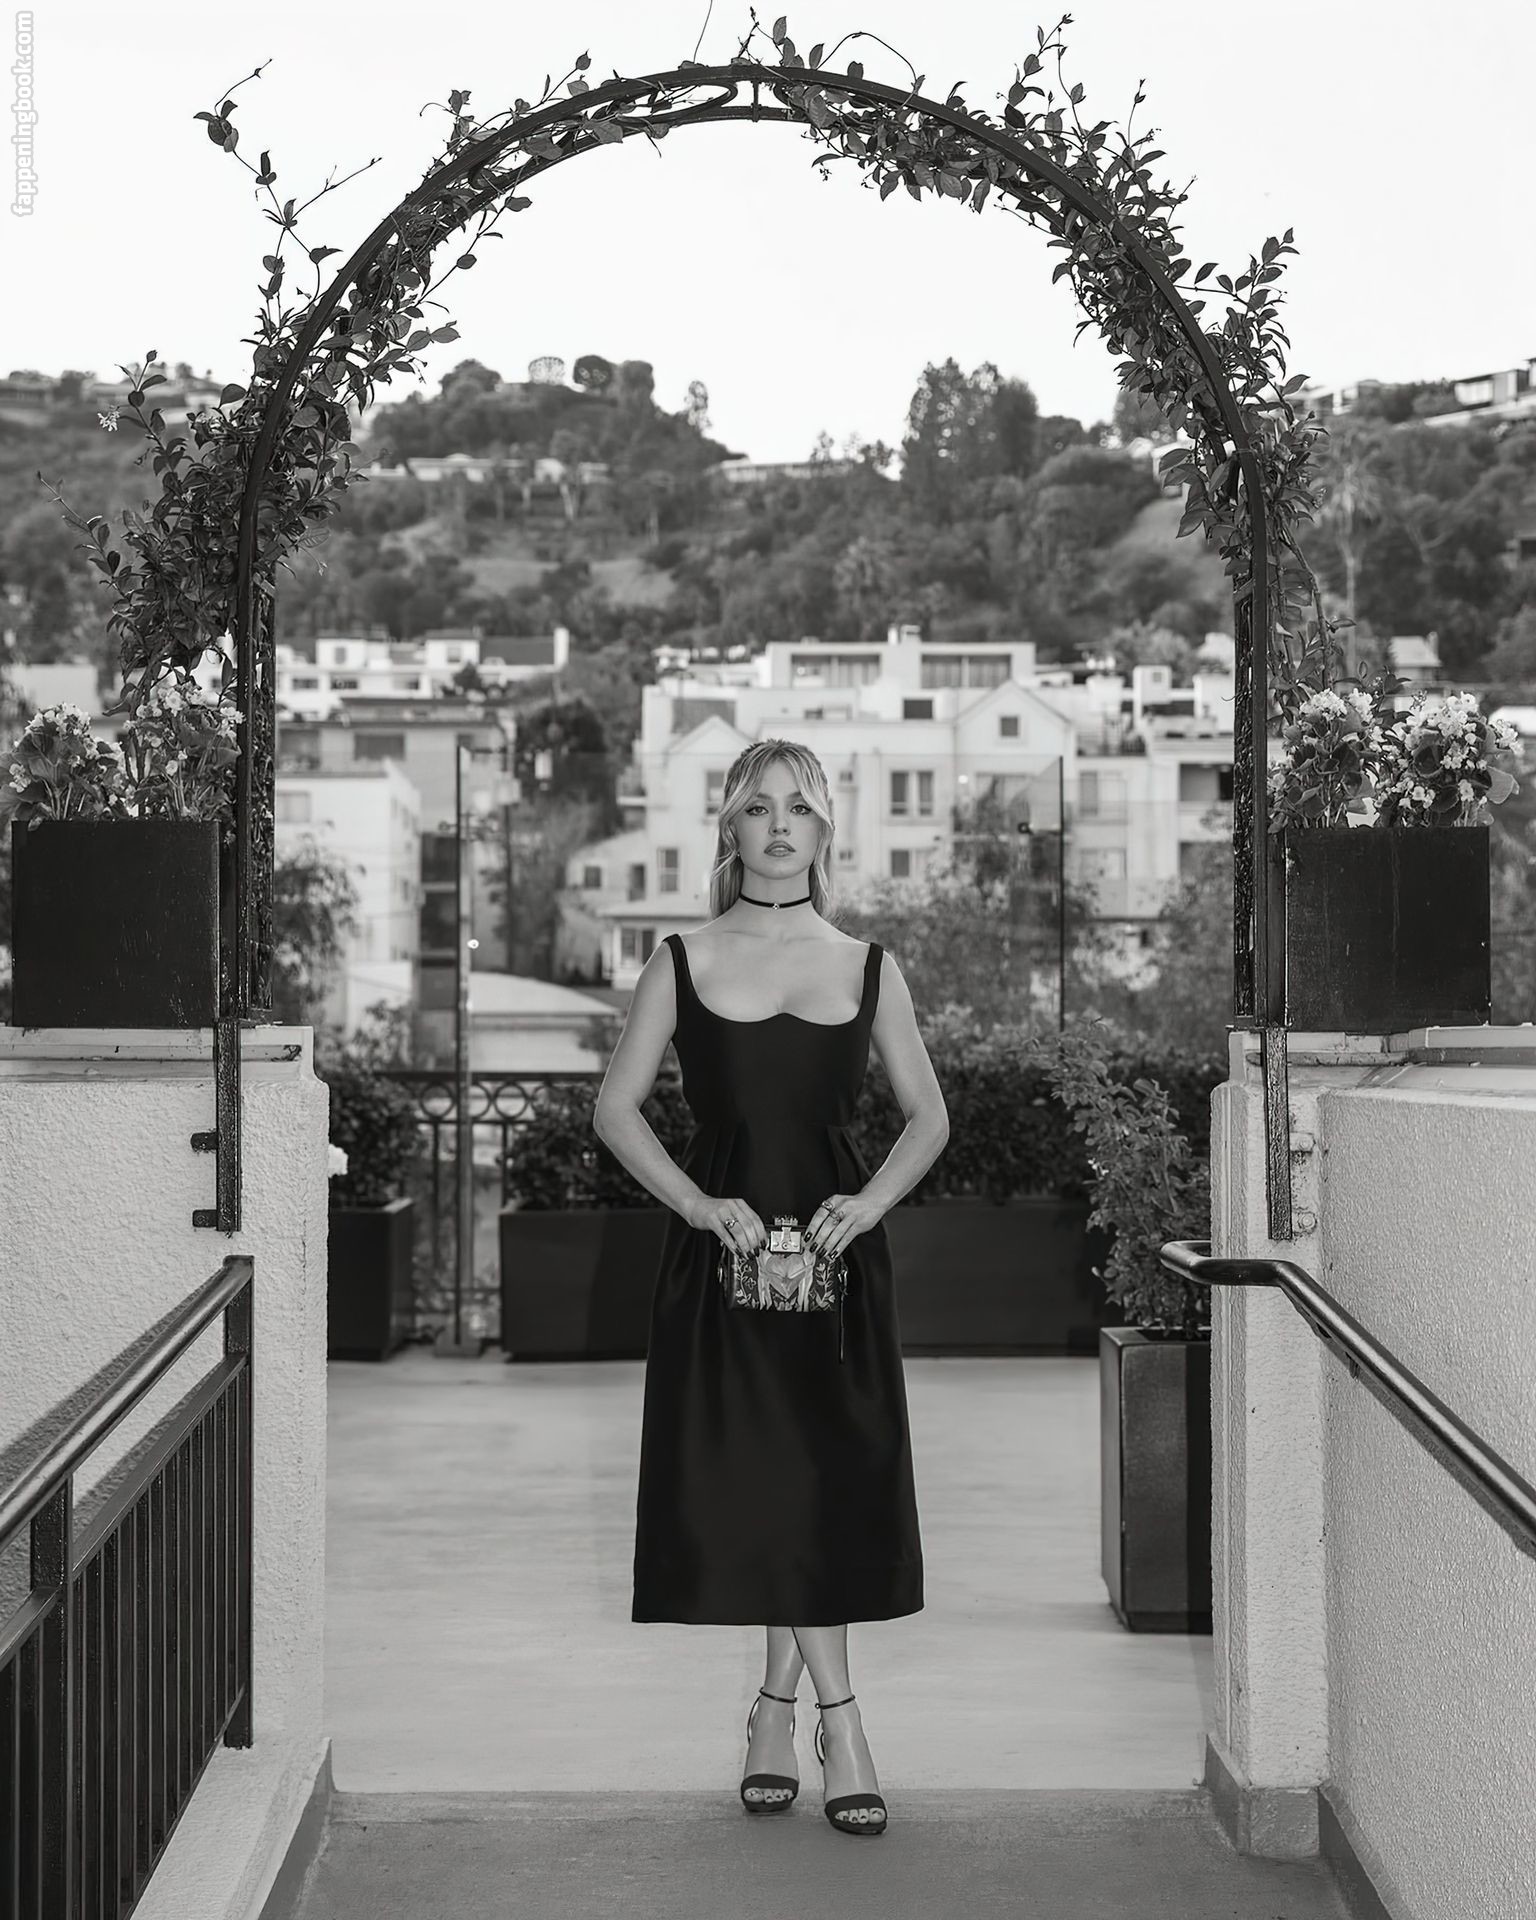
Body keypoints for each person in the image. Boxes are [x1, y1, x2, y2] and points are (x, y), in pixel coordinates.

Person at [592, 738, 950, 1836]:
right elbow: (615, 1109)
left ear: (824, 828)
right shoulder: (680, 961)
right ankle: (843, 1723)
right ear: (732, 828)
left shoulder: (869, 965)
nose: (780, 825)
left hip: (837, 1273)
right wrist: (698, 1205)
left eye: (799, 807)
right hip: (722, 1270)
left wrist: (871, 1205)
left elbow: (929, 1118)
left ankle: (775, 1713)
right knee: (768, 1488)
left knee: (818, 1487)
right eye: (759, 807)